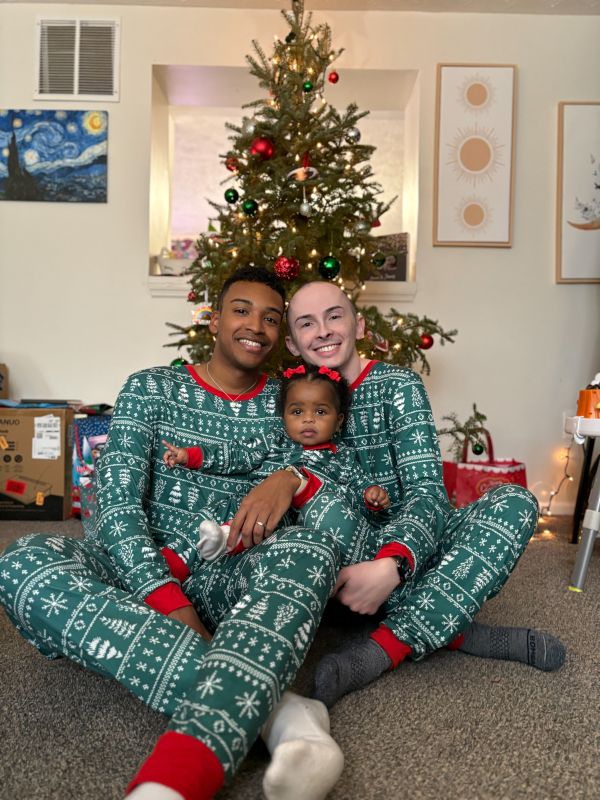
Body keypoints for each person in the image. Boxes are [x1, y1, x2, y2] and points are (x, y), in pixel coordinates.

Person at [0, 267, 345, 800]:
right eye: (241, 309)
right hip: (139, 569)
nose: (256, 325)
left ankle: (186, 767)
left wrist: (292, 475)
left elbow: (333, 466)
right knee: (23, 562)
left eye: (272, 318)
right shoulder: (151, 388)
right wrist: (165, 597)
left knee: (313, 548)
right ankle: (281, 713)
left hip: (234, 569)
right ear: (212, 319)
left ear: (281, 334)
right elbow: (112, 504)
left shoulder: (290, 399)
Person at [282, 281, 566, 708]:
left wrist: (394, 564)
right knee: (317, 502)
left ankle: (385, 646)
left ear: (358, 325)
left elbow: (427, 494)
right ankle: (456, 627)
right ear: (291, 342)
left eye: (334, 316)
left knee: (516, 502)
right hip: (342, 556)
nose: (322, 330)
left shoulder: (398, 386)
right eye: (307, 323)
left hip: (413, 546)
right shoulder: (287, 401)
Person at [161, 362, 390, 565]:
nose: (308, 419)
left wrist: (372, 496)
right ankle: (169, 565)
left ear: (339, 420)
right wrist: (190, 456)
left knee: (283, 519)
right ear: (284, 416)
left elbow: (358, 491)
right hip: (253, 504)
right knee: (219, 510)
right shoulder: (275, 440)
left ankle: (226, 539)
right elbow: (236, 454)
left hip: (295, 526)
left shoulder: (343, 458)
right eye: (297, 411)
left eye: (320, 411)